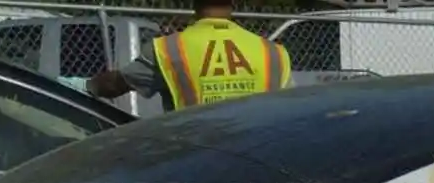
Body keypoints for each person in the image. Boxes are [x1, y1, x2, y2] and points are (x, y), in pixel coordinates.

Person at [89, 0, 290, 110]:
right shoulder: (272, 53)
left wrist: (85, 86)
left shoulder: (168, 49)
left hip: (195, 160)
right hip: (257, 165)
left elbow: (114, 85)